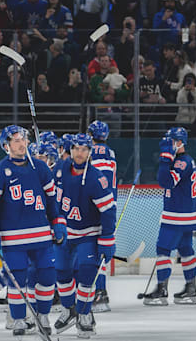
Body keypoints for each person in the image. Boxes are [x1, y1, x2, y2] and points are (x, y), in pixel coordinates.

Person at [0, 125, 66, 336]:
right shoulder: (0, 171)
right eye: (16, 140)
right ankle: (18, 320)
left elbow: (52, 200)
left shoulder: (40, 167)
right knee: (17, 279)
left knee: (48, 276)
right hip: (13, 239)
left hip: (41, 236)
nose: (22, 144)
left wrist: (57, 221)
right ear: (6, 146)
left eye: (23, 139)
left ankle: (43, 315)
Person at [51, 133, 115, 338]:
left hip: (89, 233)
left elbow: (108, 210)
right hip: (65, 232)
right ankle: (69, 309)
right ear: (71, 150)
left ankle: (85, 314)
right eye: (77, 149)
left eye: (84, 149)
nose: (80, 153)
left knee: (87, 274)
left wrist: (107, 238)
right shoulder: (60, 169)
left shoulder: (97, 178)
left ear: (89, 152)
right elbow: (48, 195)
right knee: (61, 272)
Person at [142, 127, 196, 306]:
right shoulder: (185, 160)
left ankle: (161, 289)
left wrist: (164, 159)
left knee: (163, 248)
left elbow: (165, 182)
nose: (168, 144)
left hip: (177, 215)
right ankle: (191, 288)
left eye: (172, 141)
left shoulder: (181, 162)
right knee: (185, 249)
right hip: (187, 214)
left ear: (180, 142)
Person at [87, 120, 117, 312]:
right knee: (98, 249)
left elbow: (99, 179)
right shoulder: (110, 151)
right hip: (107, 205)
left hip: (98, 205)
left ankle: (100, 292)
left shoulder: (97, 151)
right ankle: (99, 291)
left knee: (95, 250)